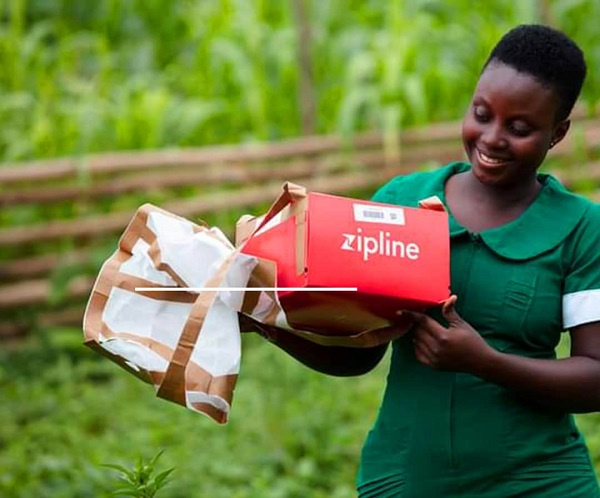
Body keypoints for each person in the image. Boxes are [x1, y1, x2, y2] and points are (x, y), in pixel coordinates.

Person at [249, 24, 600, 496]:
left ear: (557, 134)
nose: (492, 137)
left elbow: (595, 376)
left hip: (539, 481)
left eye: (519, 128)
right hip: (408, 478)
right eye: (482, 113)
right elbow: (358, 354)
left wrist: (487, 363)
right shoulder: (400, 204)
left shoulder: (581, 228)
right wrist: (263, 322)